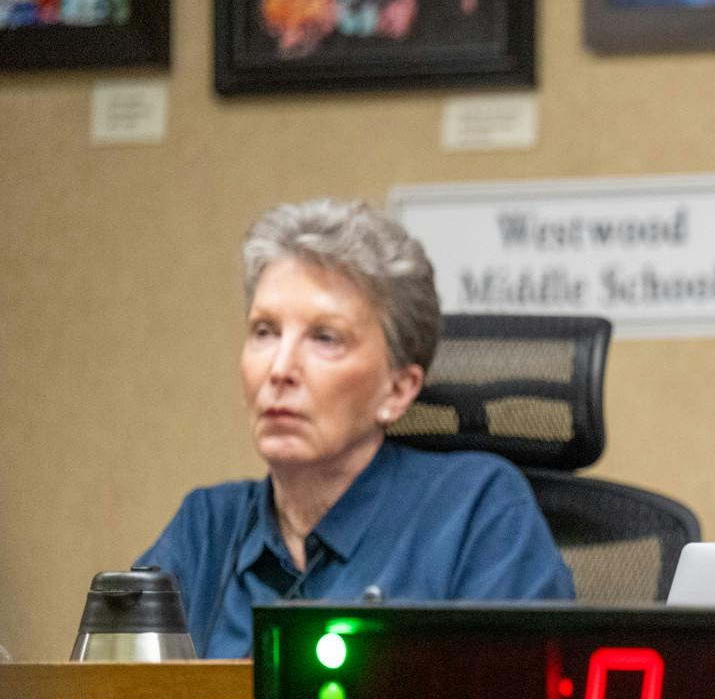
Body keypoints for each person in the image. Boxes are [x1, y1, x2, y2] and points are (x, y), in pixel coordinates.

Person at [138, 200, 573, 659]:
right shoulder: (206, 527)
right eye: (265, 331)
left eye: (325, 337)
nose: (280, 368)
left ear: (398, 391)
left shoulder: (476, 509)